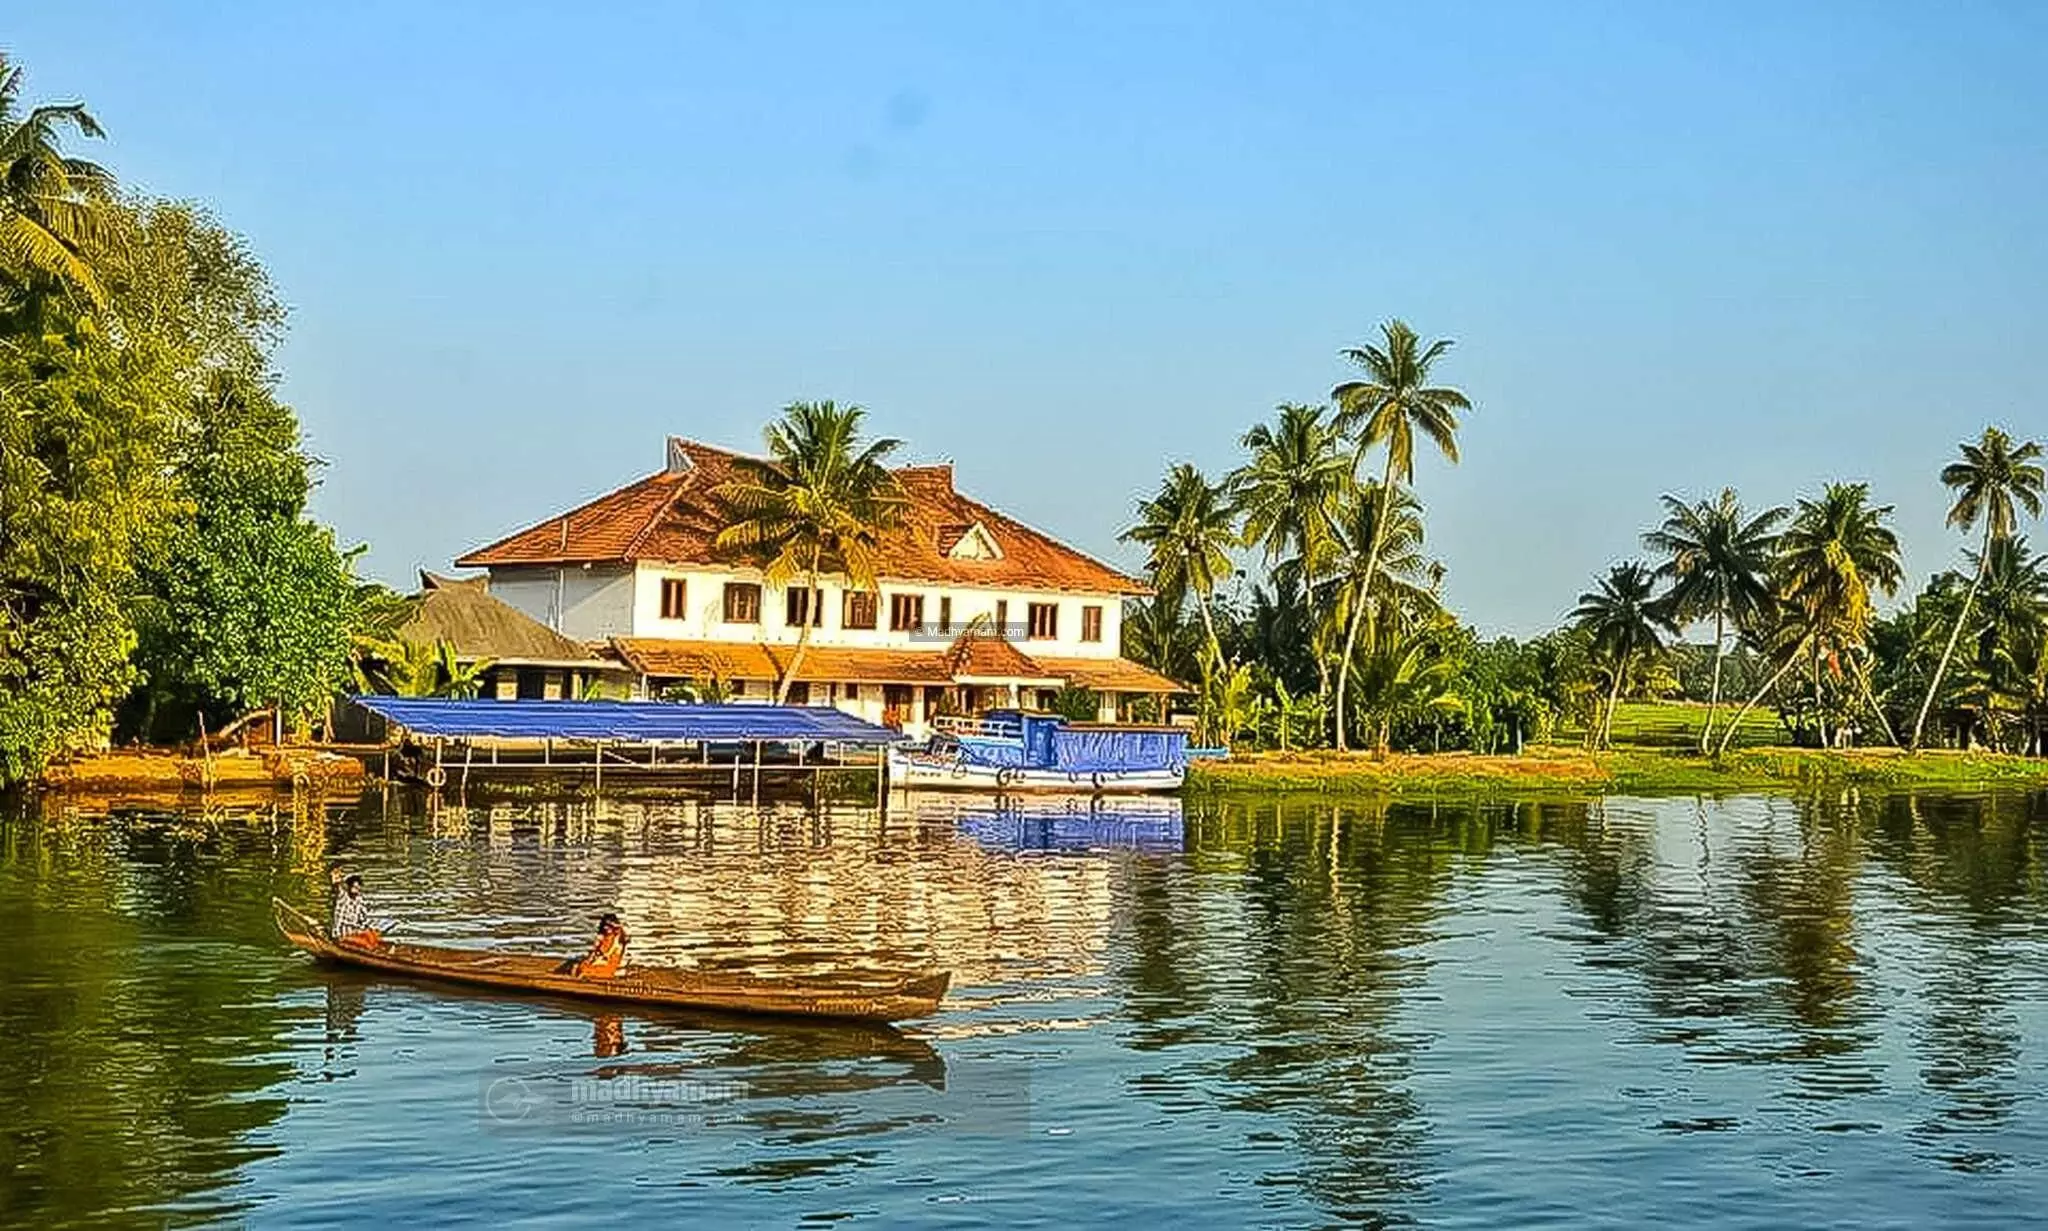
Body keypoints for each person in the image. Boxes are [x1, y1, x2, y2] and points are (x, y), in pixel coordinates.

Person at [559, 912, 629, 978]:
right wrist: (590, 957)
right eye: (605, 925)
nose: (606, 928)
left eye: (609, 926)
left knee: (583, 971)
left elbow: (608, 955)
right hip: (597, 962)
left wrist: (599, 955)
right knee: (576, 966)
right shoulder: (604, 938)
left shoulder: (618, 939)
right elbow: (594, 953)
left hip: (606, 967)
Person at [329, 873, 382, 949]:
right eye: (354, 887)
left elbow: (363, 920)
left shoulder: (359, 900)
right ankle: (370, 952)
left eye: (358, 887)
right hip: (341, 935)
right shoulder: (343, 897)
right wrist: (335, 879)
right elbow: (337, 887)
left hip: (354, 932)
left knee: (373, 935)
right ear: (349, 887)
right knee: (366, 943)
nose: (356, 889)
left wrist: (370, 929)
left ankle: (376, 950)